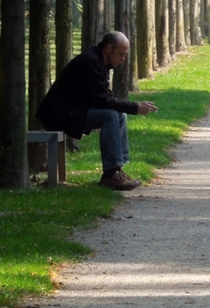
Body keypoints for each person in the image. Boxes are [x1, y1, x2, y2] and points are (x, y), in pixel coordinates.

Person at [36, 31, 157, 191]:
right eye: (121, 54)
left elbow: (103, 97)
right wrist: (135, 107)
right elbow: (101, 100)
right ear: (108, 49)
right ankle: (110, 175)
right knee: (110, 115)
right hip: (60, 115)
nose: (123, 59)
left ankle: (117, 169)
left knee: (119, 114)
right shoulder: (91, 61)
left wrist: (131, 107)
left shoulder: (101, 62)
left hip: (76, 110)